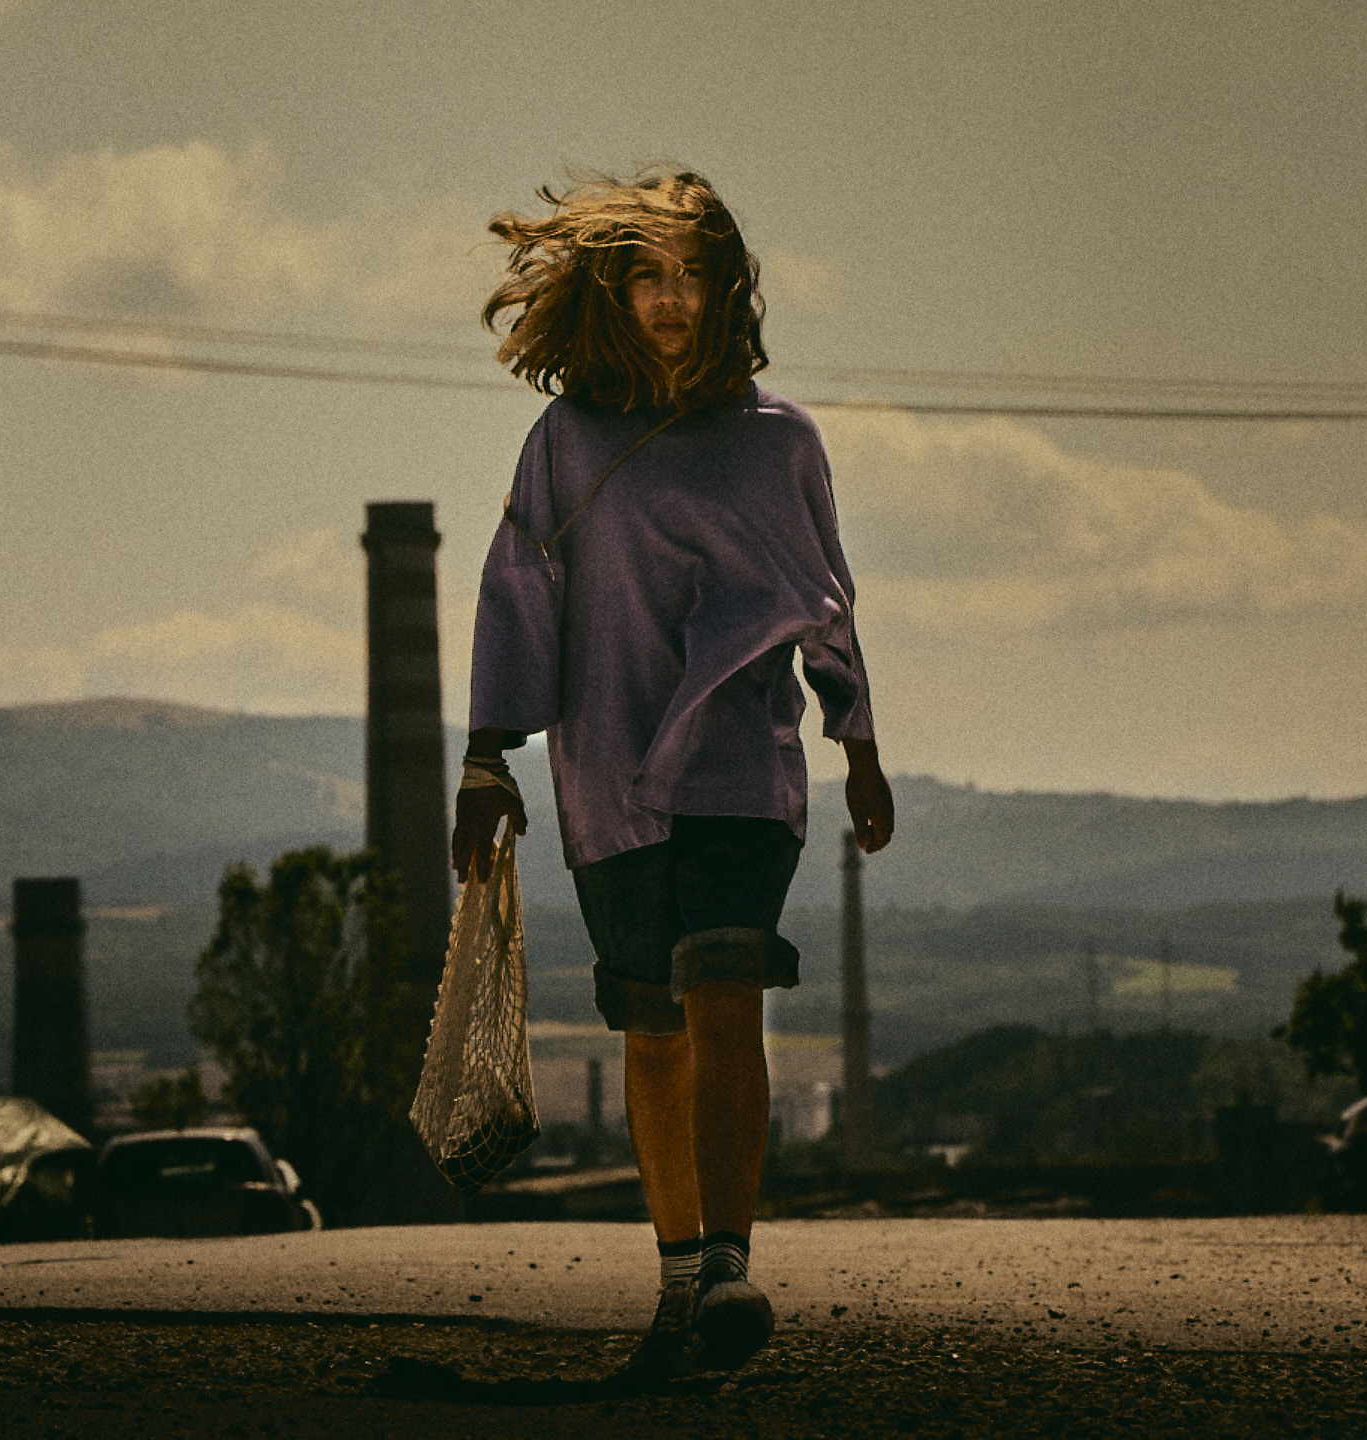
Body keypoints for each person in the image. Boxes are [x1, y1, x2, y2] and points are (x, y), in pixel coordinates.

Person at [453, 170, 894, 1381]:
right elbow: (516, 592)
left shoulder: (779, 443)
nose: (673, 298)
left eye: (694, 273)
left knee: (724, 989)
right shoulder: (566, 443)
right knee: (649, 1026)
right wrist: (488, 760)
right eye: (648, 273)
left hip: (743, 765)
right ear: (610, 288)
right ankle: (678, 1279)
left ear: (728, 287)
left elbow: (826, 593)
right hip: (607, 773)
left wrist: (856, 741)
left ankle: (729, 1267)